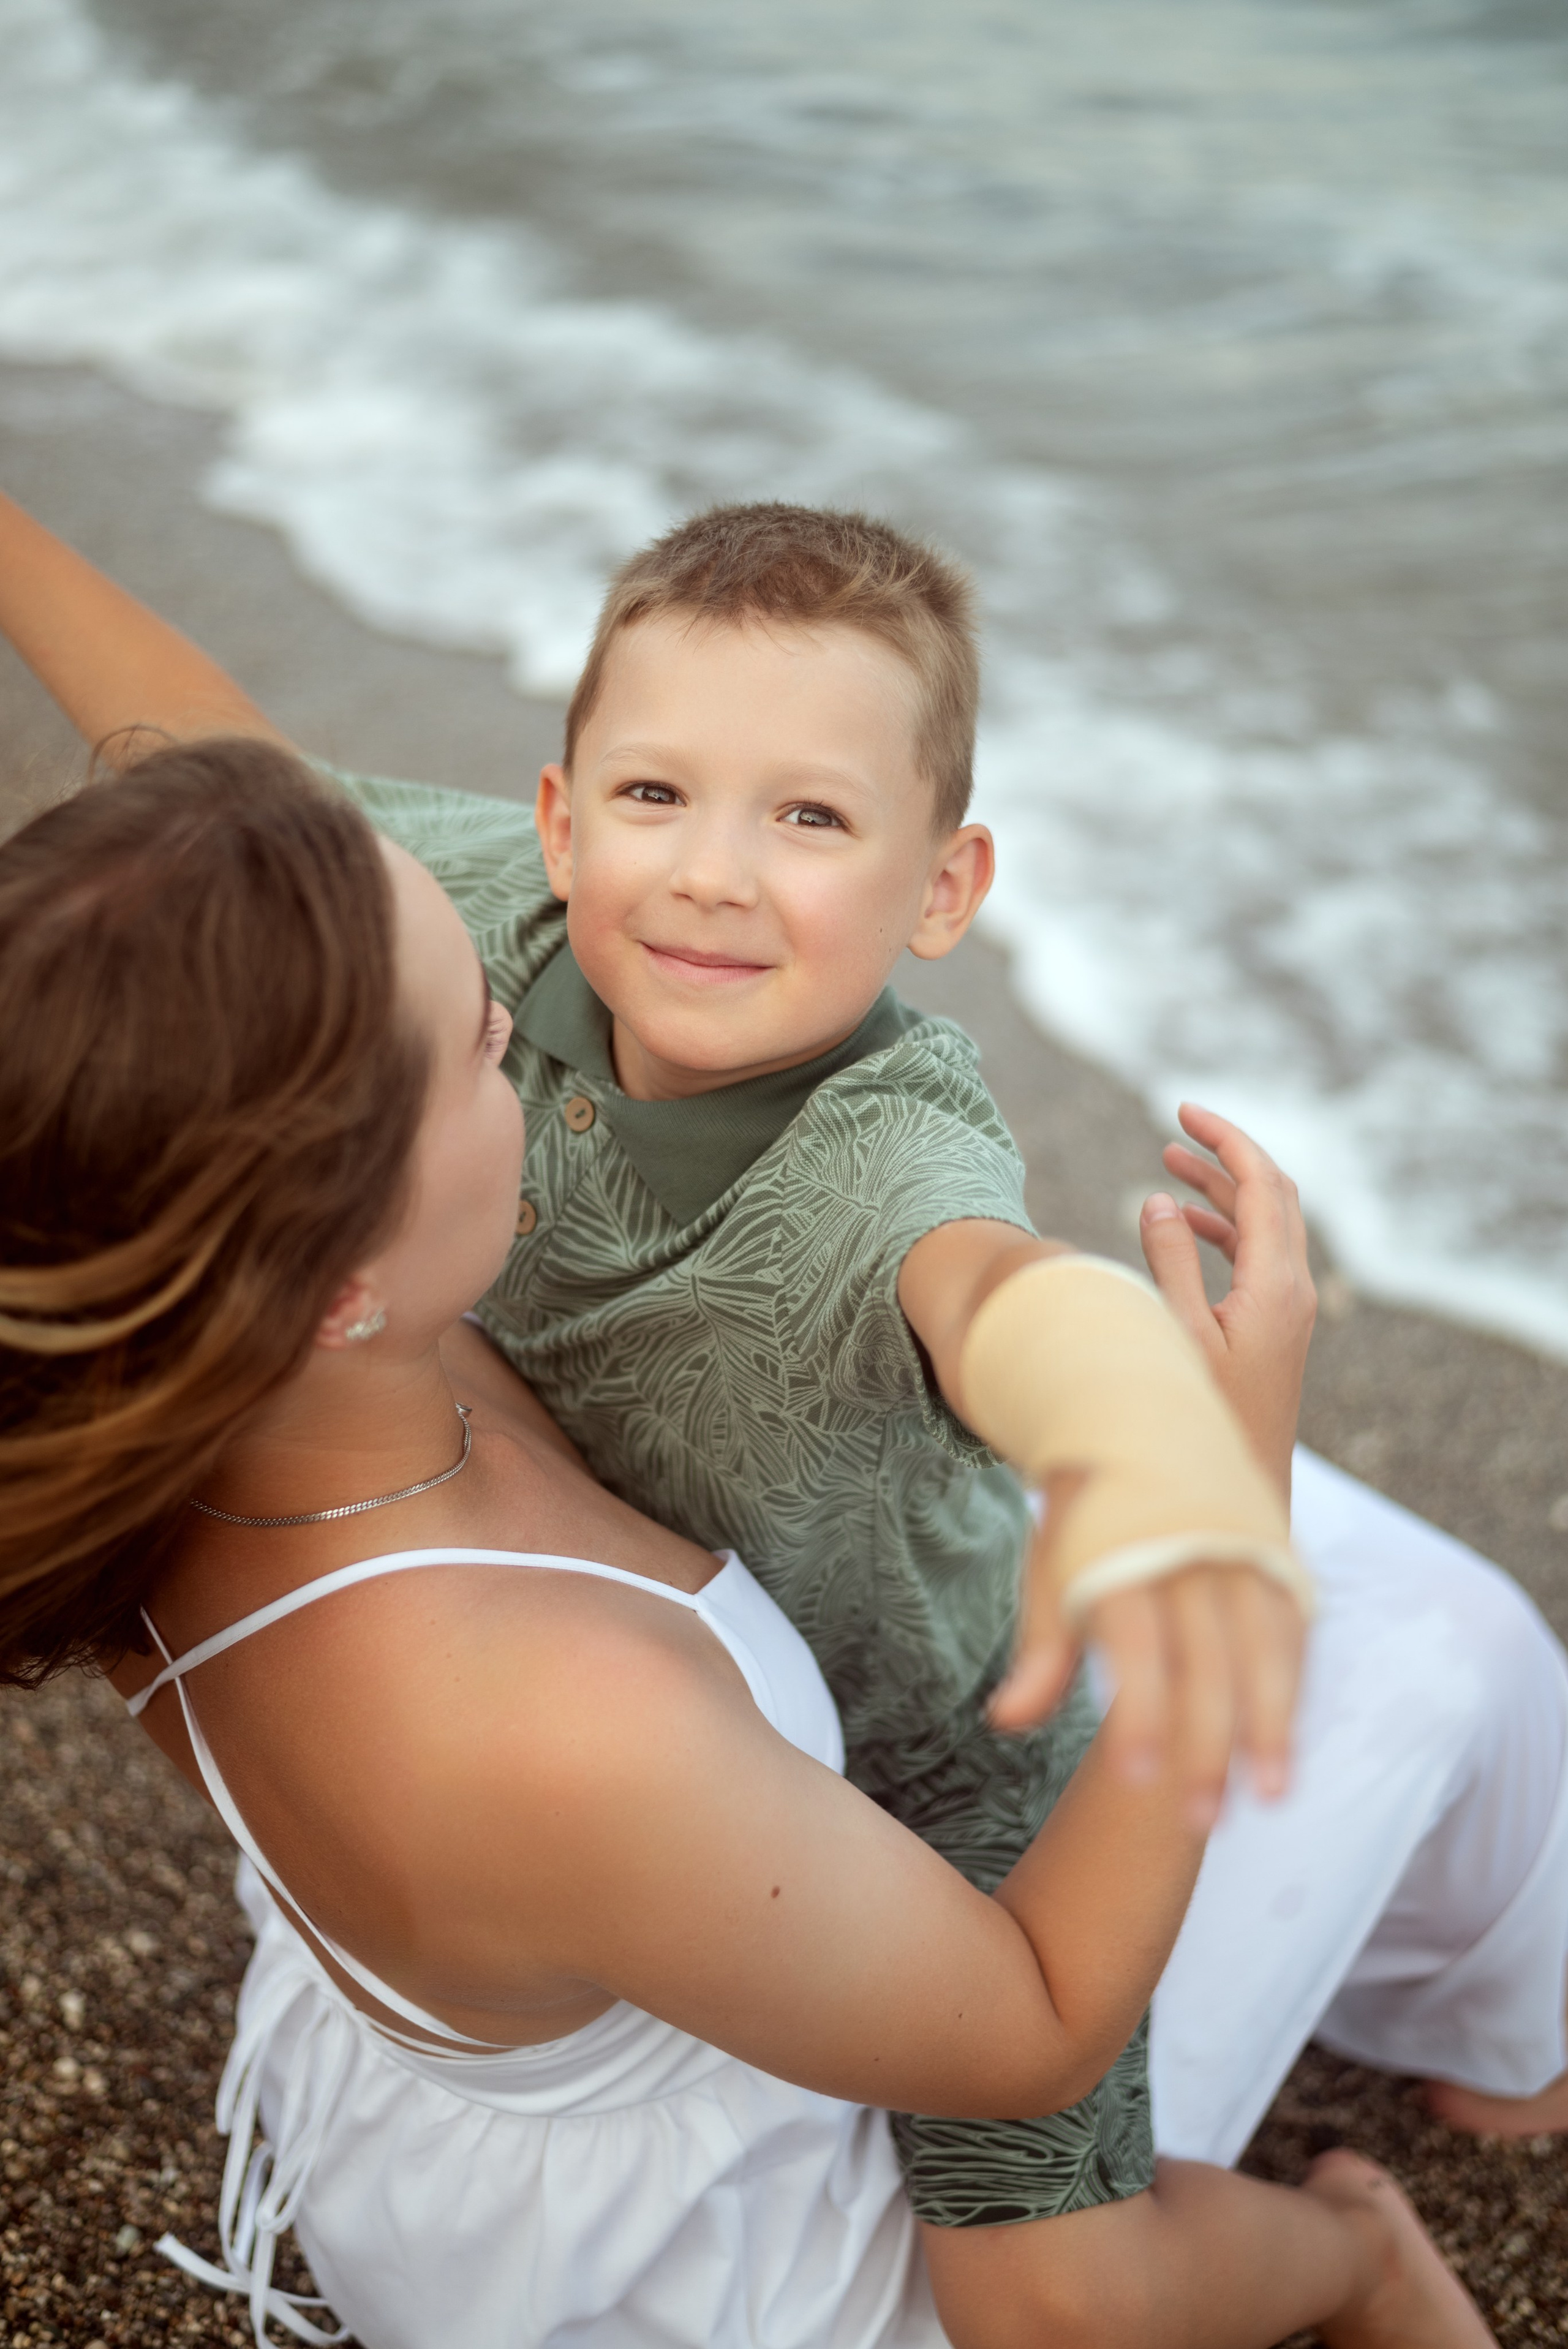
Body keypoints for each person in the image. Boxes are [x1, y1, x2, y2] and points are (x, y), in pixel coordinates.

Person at [0, 733, 1501, 2349]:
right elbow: (1038, 2027)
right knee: (1445, 1650)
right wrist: (1237, 1494)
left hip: (495, 2068)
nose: (525, 1037)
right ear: (331, 1280)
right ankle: (1360, 2245)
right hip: (708, 2267)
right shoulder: (549, 1724)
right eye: (475, 1038)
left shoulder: (130, 1409)